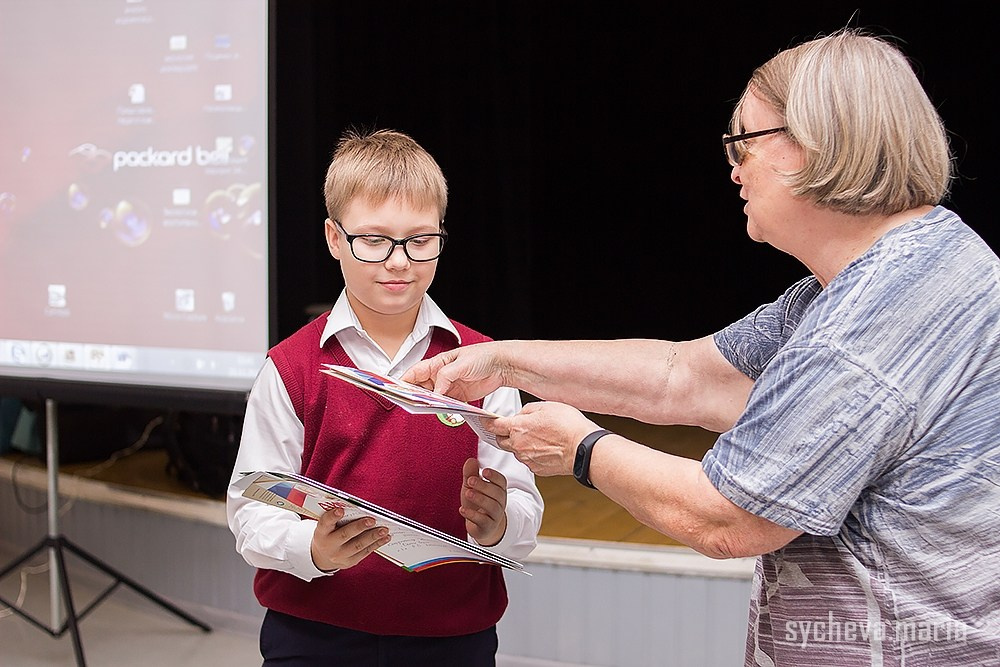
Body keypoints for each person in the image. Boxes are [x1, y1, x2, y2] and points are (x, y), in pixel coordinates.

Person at [404, 29, 1000, 666]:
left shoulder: (869, 323)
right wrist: (504, 360)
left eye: (745, 138)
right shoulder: (922, 259)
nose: (732, 164)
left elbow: (731, 517)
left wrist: (580, 449)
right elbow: (684, 376)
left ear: (822, 143)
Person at [227, 128, 543, 666]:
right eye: (373, 240)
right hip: (312, 635)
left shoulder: (483, 363)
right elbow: (250, 507)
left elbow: (522, 501)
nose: (398, 261)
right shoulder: (290, 367)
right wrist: (314, 550)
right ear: (333, 238)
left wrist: (500, 524)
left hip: (452, 636)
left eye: (420, 240)